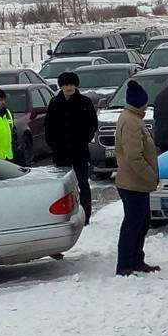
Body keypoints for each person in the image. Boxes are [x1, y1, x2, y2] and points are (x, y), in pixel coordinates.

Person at [113, 79, 159, 276]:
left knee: (141, 222)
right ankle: (125, 264)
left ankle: (136, 260)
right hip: (133, 183)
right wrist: (150, 176)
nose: (147, 105)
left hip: (136, 182)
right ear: (140, 102)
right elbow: (134, 157)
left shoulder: (133, 118)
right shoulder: (131, 122)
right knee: (133, 224)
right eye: (145, 102)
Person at [45, 71, 98, 223]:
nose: (68, 87)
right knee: (62, 186)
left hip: (79, 151)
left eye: (71, 84)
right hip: (61, 152)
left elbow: (92, 123)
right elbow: (48, 126)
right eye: (65, 85)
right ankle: (63, 215)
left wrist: (84, 138)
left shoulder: (84, 102)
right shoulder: (55, 103)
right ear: (61, 87)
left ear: (75, 85)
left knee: (83, 184)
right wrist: (53, 144)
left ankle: (86, 215)